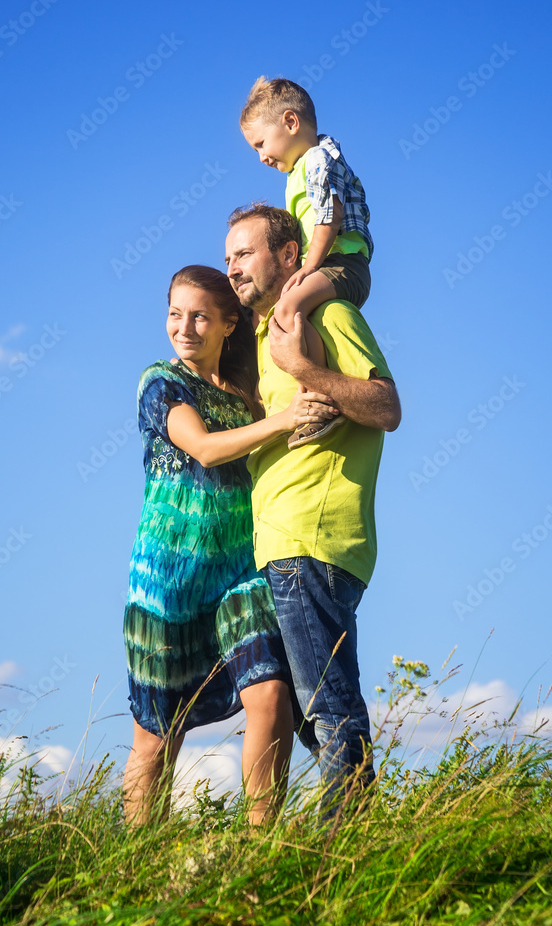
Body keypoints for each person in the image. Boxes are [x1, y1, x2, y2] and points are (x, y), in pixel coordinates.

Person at [123, 264, 336, 826]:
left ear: (228, 326)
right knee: (155, 737)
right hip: (167, 580)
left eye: (199, 316)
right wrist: (284, 419)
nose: (184, 326)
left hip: (241, 573)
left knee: (271, 696)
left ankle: (261, 850)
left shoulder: (247, 400)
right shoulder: (159, 382)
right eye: (175, 313)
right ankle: (132, 862)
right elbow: (205, 448)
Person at [225, 204, 401, 817]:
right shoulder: (255, 337)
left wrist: (303, 369)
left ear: (291, 256)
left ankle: (338, 861)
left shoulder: (329, 314)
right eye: (228, 259)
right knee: (308, 717)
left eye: (244, 254)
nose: (233, 268)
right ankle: (349, 837)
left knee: (329, 710)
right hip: (277, 546)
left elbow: (385, 407)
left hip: (314, 537)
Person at [240, 76, 373, 448]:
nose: (261, 156)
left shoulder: (317, 160)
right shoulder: (298, 169)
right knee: (280, 311)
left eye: (261, 144)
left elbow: (328, 215)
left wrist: (307, 268)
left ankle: (318, 403)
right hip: (327, 262)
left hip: (342, 262)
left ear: (291, 123)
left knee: (290, 305)